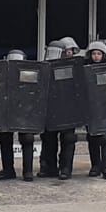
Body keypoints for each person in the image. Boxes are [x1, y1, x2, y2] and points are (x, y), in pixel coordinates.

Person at [38, 40, 79, 180]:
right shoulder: (45, 67)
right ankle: (49, 167)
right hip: (50, 109)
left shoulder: (73, 67)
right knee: (49, 139)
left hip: (68, 109)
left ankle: (66, 168)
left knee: (68, 139)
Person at [0, 49, 37, 182]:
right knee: (4, 137)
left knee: (27, 138)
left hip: (24, 111)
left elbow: (34, 93)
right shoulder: (3, 75)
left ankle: (28, 171)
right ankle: (8, 170)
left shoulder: (28, 75)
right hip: (7, 111)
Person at [83, 41, 106, 180]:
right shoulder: (85, 69)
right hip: (91, 109)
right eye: (94, 53)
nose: (96, 56)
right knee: (93, 138)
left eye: (99, 53)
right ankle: (95, 166)